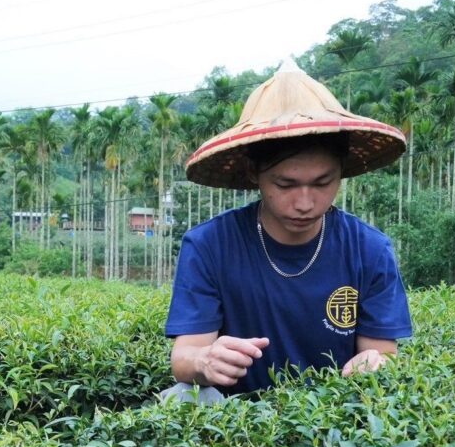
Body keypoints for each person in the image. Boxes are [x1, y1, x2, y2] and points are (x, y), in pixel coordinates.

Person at [163, 59, 413, 403]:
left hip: (333, 415)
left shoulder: (369, 249)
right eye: (286, 184)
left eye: (323, 182)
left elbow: (382, 352)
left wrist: (375, 362)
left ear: (341, 172)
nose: (305, 202)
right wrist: (204, 361)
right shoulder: (209, 245)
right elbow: (184, 357)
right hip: (232, 419)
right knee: (184, 397)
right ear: (254, 173)